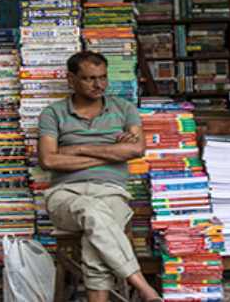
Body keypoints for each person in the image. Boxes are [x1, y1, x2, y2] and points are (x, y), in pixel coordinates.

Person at [39, 51, 162, 302]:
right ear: (71, 79)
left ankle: (142, 289)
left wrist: (77, 149)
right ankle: (142, 285)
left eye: (103, 77)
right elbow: (49, 159)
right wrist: (113, 153)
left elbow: (137, 149)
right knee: (92, 212)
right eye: (89, 78)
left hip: (111, 192)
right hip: (65, 196)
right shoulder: (53, 113)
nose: (99, 85)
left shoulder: (123, 108)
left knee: (94, 239)